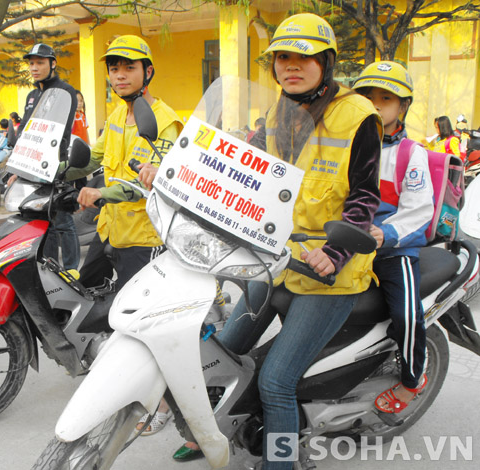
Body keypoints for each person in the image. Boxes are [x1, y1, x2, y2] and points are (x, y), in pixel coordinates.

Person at [171, 14, 382, 465]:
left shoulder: (358, 116)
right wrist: (184, 182)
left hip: (329, 276)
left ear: (326, 61)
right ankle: (211, 432)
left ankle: (280, 461)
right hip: (274, 258)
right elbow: (243, 171)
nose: (291, 65)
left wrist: (336, 251)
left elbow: (365, 196)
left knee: (276, 381)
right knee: (222, 349)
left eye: (304, 56)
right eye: (283, 57)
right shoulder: (274, 112)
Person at [66, 34, 184, 434]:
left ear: (147, 71)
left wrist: (100, 191)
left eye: (128, 67)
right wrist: (59, 167)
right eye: (114, 68)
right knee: (86, 291)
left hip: (145, 236)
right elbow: (96, 156)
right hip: (111, 228)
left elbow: (151, 179)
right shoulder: (117, 115)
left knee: (142, 323)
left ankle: (164, 406)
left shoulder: (164, 119)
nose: (119, 74)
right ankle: (113, 369)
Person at [353, 61, 432, 415]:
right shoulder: (347, 144)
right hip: (349, 244)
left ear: (403, 107)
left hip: (392, 249)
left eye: (386, 97)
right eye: (367, 96)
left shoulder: (410, 153)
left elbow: (419, 209)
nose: (375, 103)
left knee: (407, 314)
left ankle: (413, 379)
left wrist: (383, 233)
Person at [13, 43, 79, 270]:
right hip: (30, 167)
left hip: (54, 165)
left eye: (40, 62)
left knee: (62, 220)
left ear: (53, 64)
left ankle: (71, 270)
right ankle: (49, 267)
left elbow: (62, 130)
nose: (34, 67)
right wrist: (15, 168)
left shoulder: (66, 91)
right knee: (42, 220)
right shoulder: (32, 95)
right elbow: (25, 130)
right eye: (31, 63)